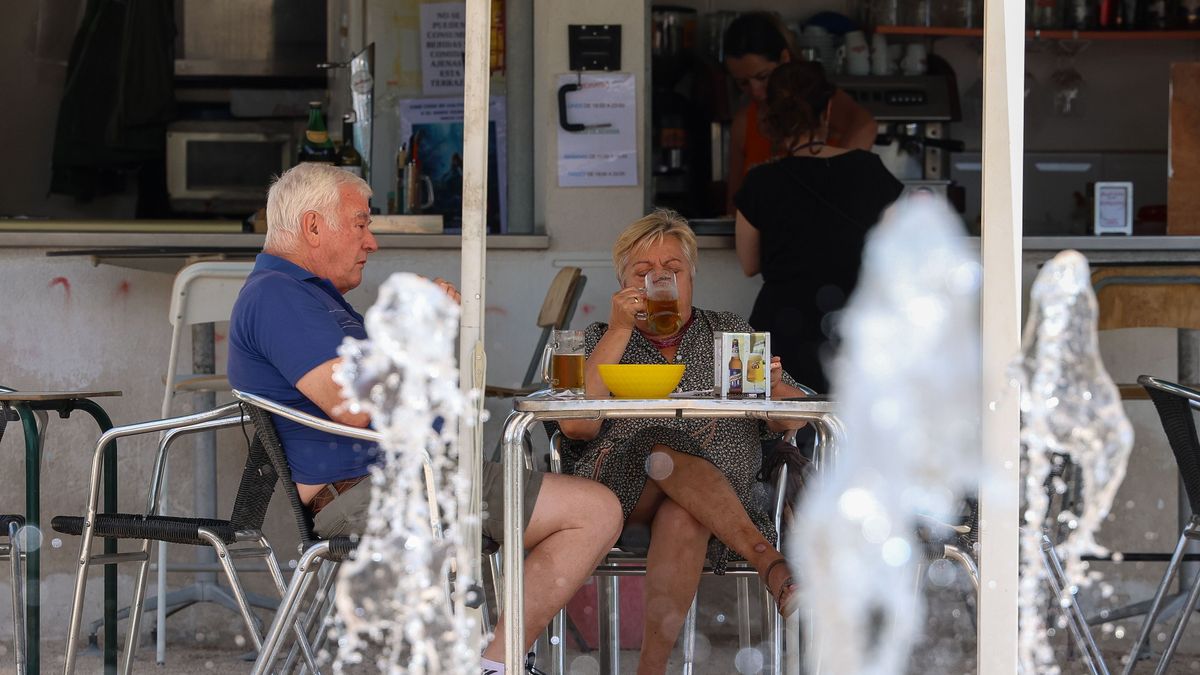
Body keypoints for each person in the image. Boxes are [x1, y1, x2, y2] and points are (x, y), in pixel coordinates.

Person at [226, 162, 622, 675]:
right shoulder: (278, 295)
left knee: (595, 510)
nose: (371, 243)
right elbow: (351, 404)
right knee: (593, 511)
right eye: (361, 224)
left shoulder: (311, 298)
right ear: (313, 226)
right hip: (380, 494)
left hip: (428, 481)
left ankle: (492, 665)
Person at [557, 209, 809, 675]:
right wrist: (618, 329)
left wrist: (774, 388)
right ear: (622, 283)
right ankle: (771, 564)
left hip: (722, 499)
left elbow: (794, 417)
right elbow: (577, 427)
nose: (660, 282)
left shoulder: (728, 330)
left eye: (672, 270)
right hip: (623, 492)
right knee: (661, 450)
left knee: (684, 515)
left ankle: (650, 671)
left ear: (692, 275)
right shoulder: (601, 337)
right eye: (643, 272)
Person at [734, 61, 904, 393]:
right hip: (853, 332)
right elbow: (897, 255)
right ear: (827, 109)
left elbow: (749, 264)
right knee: (851, 435)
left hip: (774, 339)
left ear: (771, 117)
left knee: (765, 436)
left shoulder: (760, 181)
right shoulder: (870, 171)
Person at [722, 11, 878, 214]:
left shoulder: (819, 99)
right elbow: (734, 206)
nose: (756, 92)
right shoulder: (744, 123)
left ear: (784, 58)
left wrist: (828, 186)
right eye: (743, 83)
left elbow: (866, 126)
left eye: (763, 76)